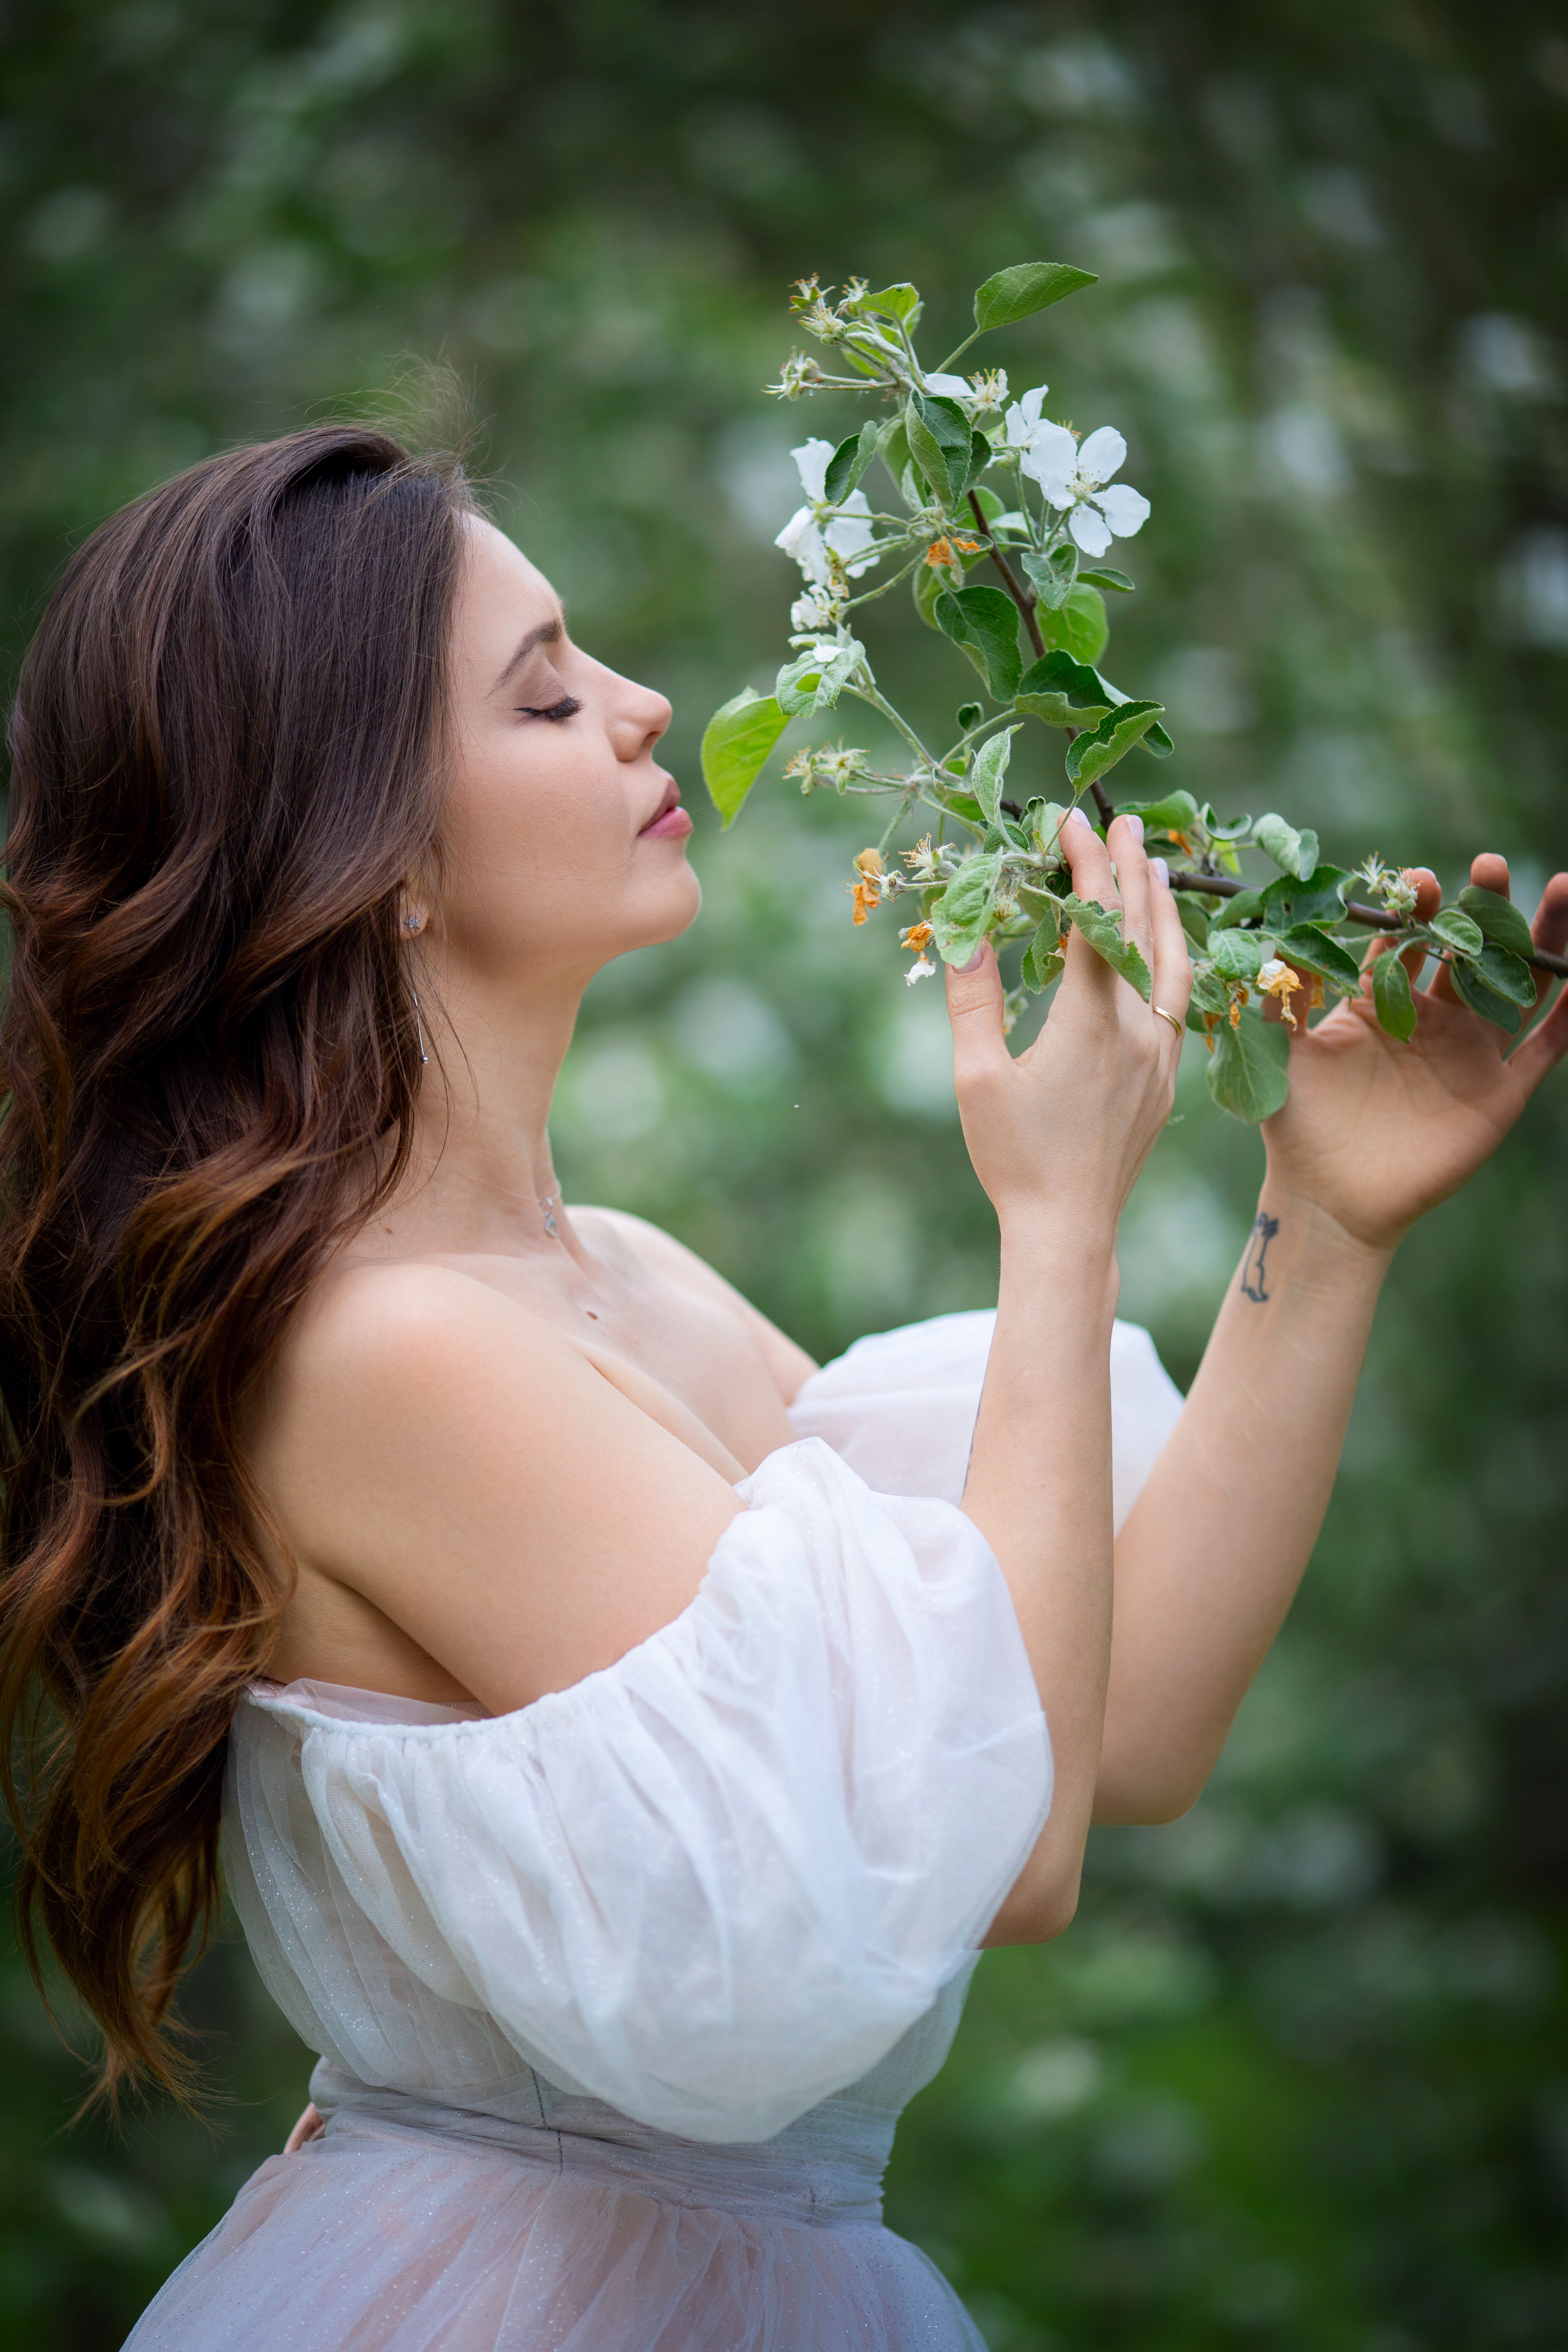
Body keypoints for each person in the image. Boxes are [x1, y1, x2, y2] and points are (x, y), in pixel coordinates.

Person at [1, 426, 1562, 2352]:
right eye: (547, 693)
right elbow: (1010, 1850)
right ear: (380, 860)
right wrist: (1054, 1221)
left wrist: (1322, 1221)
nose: (648, 709)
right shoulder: (379, 1351)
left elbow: (1111, 1722)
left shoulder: (624, 1279)